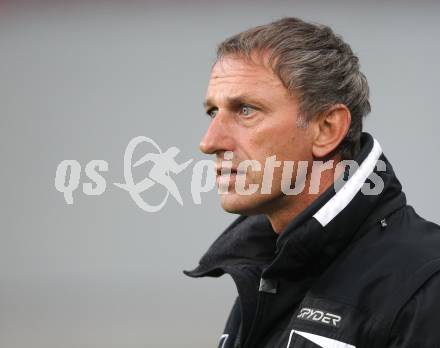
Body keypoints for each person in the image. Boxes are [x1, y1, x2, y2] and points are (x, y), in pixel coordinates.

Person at [184, 17, 440, 348]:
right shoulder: (266, 266)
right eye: (212, 112)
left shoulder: (426, 284)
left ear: (327, 129)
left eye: (245, 110)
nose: (209, 141)